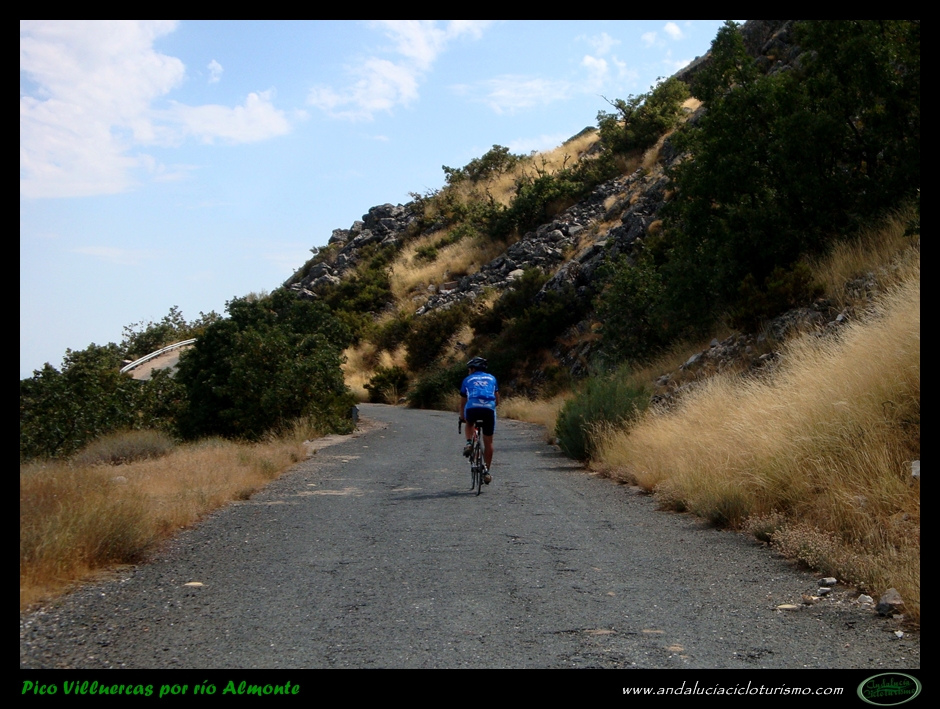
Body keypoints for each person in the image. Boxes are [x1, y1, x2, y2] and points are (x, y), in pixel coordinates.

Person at [459, 356, 499, 484]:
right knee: (489, 443)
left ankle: (469, 443)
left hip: (473, 408)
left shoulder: (467, 379)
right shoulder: (492, 378)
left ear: (473, 369)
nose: (468, 371)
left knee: (469, 423)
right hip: (488, 409)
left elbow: (463, 403)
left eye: (469, 369)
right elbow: (497, 400)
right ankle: (486, 471)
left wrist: (462, 417)